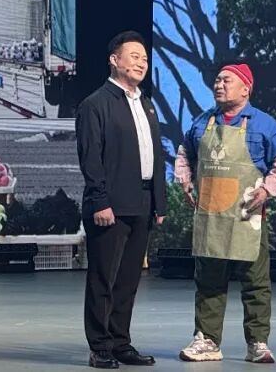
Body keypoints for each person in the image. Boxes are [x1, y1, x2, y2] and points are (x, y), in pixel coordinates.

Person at [174, 63, 276, 364]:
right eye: (217, 80)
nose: (219, 85)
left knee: (256, 283)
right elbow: (184, 152)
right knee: (209, 283)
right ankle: (207, 340)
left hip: (247, 218)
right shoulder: (202, 122)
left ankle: (258, 343)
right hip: (211, 217)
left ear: (245, 89)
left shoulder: (265, 124)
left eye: (226, 80)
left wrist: (268, 190)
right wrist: (186, 181)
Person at [77, 31, 167, 369]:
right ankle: (99, 346)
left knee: (129, 280)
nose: (141, 63)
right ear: (114, 60)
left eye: (145, 58)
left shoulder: (147, 104)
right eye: (134, 56)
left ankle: (120, 342)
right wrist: (100, 201)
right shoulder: (95, 104)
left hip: (142, 202)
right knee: (104, 278)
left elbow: (155, 156)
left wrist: (159, 202)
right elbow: (91, 158)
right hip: (110, 205)